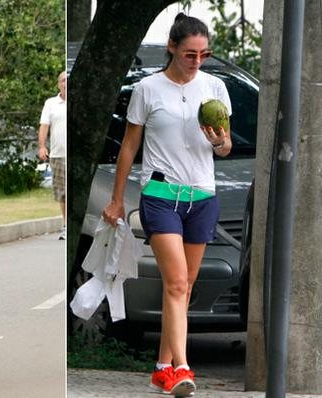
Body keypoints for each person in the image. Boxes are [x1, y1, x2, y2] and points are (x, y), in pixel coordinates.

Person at [101, 13, 231, 397]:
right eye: (190, 53)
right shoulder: (148, 89)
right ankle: (182, 367)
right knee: (175, 282)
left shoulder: (215, 88)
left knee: (184, 286)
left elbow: (223, 150)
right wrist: (116, 200)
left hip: (202, 196)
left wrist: (218, 139)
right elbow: (129, 146)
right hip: (160, 197)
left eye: (204, 54)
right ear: (172, 48)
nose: (197, 61)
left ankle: (161, 366)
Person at [37, 71, 66, 240]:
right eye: (62, 80)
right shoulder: (51, 103)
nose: (65, 83)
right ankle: (65, 225)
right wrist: (42, 146)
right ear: (58, 84)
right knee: (62, 193)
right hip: (58, 154)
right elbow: (44, 126)